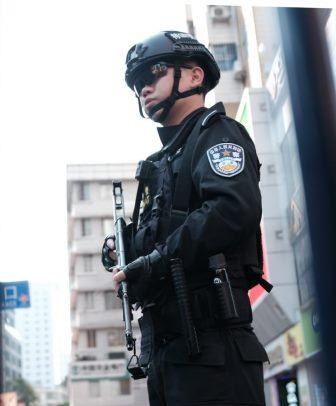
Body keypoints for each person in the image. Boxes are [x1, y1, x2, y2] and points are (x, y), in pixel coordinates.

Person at [102, 31, 271, 406]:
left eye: (154, 73)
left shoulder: (218, 134)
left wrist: (157, 260)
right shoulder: (160, 163)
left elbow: (232, 209)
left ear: (195, 76)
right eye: (137, 83)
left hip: (215, 352)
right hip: (167, 354)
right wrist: (124, 250)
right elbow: (163, 236)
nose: (143, 88)